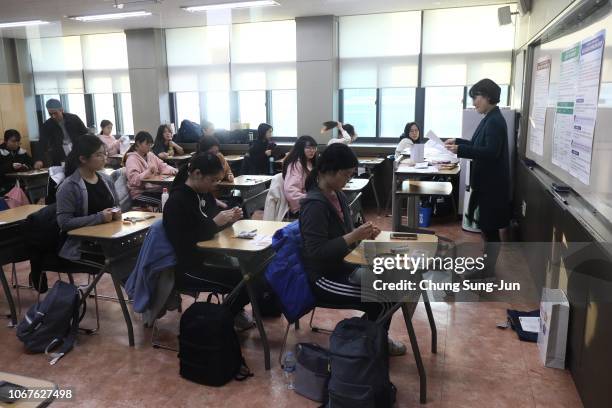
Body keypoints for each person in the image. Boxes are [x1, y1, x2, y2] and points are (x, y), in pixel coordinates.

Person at [299, 143, 406, 356]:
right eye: (346, 175)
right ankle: (372, 343)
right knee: (383, 299)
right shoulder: (314, 205)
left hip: (344, 267)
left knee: (394, 288)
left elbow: (342, 236)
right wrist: (353, 236)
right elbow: (316, 252)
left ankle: (369, 338)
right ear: (330, 172)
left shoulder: (336, 194)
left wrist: (361, 234)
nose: (349, 179)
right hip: (323, 278)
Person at [163, 153, 254, 330]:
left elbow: (210, 226)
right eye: (213, 180)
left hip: (212, 256)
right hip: (189, 267)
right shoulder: (177, 202)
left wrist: (229, 218)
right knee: (246, 280)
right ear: (197, 173)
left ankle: (228, 314)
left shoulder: (203, 194)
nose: (215, 185)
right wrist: (215, 223)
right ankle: (222, 318)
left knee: (254, 270)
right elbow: (184, 242)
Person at [444, 78, 510, 279]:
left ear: (488, 96)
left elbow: (490, 152)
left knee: (489, 228)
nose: (474, 103)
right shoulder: (490, 117)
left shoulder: (495, 121)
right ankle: (487, 266)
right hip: (488, 183)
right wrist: (458, 141)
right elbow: (477, 144)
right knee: (486, 227)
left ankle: (488, 270)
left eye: (476, 98)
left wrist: (460, 149)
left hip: (492, 186)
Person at [56, 134, 121, 261]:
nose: (104, 158)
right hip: (83, 245)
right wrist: (99, 217)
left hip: (109, 237)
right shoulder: (69, 186)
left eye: (104, 153)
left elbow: (116, 205)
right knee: (128, 259)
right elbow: (64, 223)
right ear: (83, 159)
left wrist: (116, 212)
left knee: (139, 251)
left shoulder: (107, 179)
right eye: (98, 155)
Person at [125, 131, 178, 206]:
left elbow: (162, 166)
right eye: (147, 144)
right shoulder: (132, 159)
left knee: (173, 198)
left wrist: (174, 170)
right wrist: (148, 172)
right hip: (139, 194)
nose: (149, 146)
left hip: (153, 190)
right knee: (164, 202)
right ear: (138, 143)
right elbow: (134, 180)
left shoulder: (150, 155)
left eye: (150, 144)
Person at [34, 98, 88, 169]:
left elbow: (85, 134)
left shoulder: (74, 119)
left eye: (55, 113)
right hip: (59, 154)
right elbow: (42, 143)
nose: (53, 116)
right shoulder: (47, 125)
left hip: (77, 150)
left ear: (61, 110)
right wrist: (39, 160)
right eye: (50, 114)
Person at [282, 135, 317, 216]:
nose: (312, 151)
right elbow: (291, 191)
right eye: (308, 148)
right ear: (301, 148)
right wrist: (312, 198)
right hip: (301, 206)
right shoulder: (296, 164)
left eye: (314, 148)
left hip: (309, 200)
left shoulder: (309, 162)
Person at [0, 129, 34, 195]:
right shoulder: (1, 152)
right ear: (5, 141)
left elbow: (31, 163)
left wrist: (31, 165)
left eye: (18, 142)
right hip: (4, 185)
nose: (16, 144)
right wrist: (11, 166)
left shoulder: (21, 151)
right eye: (13, 141)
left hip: (22, 183)